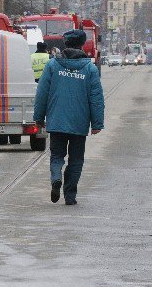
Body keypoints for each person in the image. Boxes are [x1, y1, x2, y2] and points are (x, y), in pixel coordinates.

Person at [33, 29, 105, 205]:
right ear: (81, 45)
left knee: (57, 156)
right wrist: (97, 123)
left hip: (56, 121)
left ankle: (56, 177)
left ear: (65, 44)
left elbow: (42, 93)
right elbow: (96, 98)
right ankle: (70, 195)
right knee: (76, 160)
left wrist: (39, 117)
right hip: (79, 124)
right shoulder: (90, 69)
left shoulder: (52, 65)